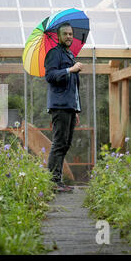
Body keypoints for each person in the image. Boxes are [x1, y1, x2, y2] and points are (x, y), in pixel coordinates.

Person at [44, 22, 83, 193]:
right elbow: (50, 76)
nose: (69, 36)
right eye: (65, 34)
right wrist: (70, 69)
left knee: (65, 144)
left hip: (69, 106)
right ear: (58, 36)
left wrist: (75, 109)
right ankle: (53, 182)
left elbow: (73, 87)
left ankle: (57, 180)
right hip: (59, 105)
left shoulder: (69, 54)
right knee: (59, 143)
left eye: (70, 34)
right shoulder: (54, 53)